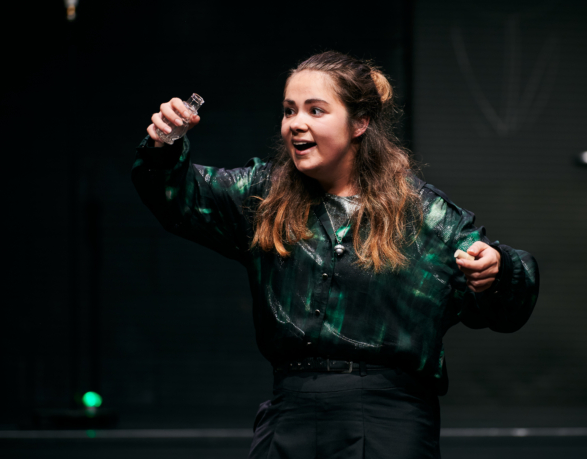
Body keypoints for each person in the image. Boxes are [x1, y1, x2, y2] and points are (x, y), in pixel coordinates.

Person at [132, 51, 539, 458]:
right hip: (291, 416)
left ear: (360, 123)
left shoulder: (422, 215)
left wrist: (498, 270)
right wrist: (165, 144)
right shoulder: (264, 196)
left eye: (315, 110)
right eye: (289, 110)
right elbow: (179, 196)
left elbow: (506, 302)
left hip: (387, 423)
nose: (296, 123)